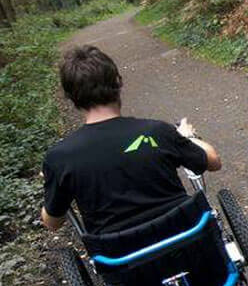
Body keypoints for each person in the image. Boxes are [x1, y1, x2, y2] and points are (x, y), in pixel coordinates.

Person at [41, 45, 222, 235]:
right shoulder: (157, 131)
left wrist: (53, 177)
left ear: (70, 97)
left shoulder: (59, 158)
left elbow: (52, 223)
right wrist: (187, 136)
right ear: (118, 82)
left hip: (120, 260)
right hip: (187, 240)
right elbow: (214, 162)